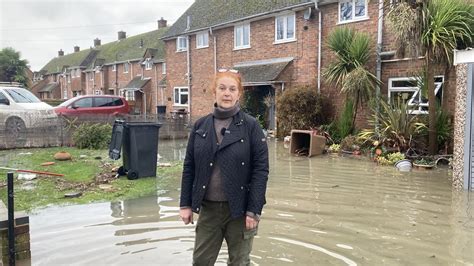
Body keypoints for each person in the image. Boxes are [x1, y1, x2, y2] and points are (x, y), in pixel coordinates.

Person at [179, 69, 269, 265]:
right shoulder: (200, 126)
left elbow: (260, 171)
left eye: (232, 89)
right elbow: (189, 167)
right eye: (222, 88)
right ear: (214, 92)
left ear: (239, 94)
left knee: (239, 262)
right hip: (208, 209)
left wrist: (254, 210)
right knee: (201, 261)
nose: (227, 93)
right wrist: (185, 204)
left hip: (241, 209)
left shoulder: (251, 126)